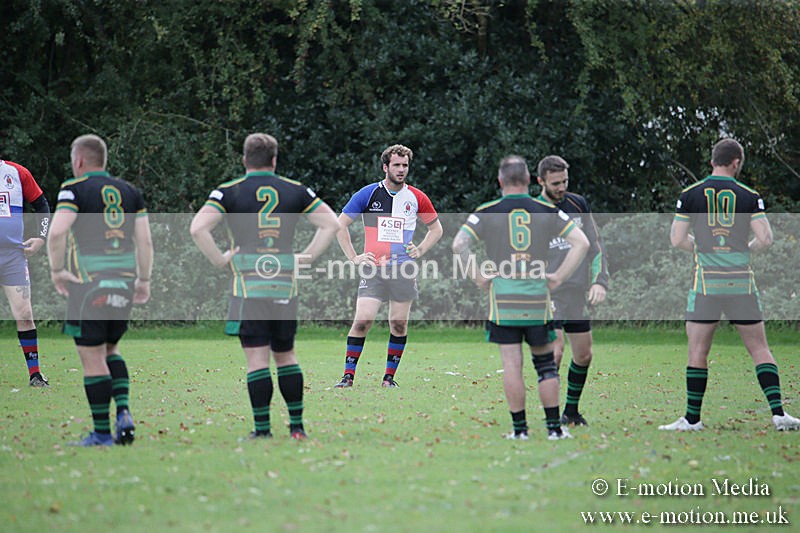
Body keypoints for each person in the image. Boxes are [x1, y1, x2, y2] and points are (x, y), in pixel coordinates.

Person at [191, 133, 339, 440]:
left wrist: (221, 260)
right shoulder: (296, 190)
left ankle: (262, 430)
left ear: (245, 159)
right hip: (284, 285)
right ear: (274, 160)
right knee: (286, 355)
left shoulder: (228, 191)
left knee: (257, 359)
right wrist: (306, 258)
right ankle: (297, 428)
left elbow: (198, 228)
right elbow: (331, 224)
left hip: (248, 287)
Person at [660, 138, 799, 432]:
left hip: (706, 284)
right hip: (741, 284)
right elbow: (766, 239)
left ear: (713, 161)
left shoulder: (690, 194)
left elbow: (677, 239)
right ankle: (779, 414)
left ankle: (692, 419)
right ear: (736, 163)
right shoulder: (749, 195)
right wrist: (745, 249)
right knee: (759, 348)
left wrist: (701, 249)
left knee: (698, 351)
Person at [453, 155, 589, 440]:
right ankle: (554, 430)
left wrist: (478, 276)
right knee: (545, 365)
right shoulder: (547, 210)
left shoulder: (486, 211)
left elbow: (459, 244)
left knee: (512, 365)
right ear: (529, 180)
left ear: (500, 181)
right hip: (538, 300)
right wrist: (559, 276)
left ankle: (520, 431)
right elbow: (582, 242)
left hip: (504, 302)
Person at [48, 134, 153, 446]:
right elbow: (145, 241)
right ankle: (123, 412)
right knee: (111, 349)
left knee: (92, 357)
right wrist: (144, 280)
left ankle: (102, 433)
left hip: (89, 282)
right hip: (123, 281)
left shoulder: (74, 189)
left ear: (79, 161)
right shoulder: (130, 192)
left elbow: (57, 233)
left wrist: (57, 270)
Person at [333, 144, 443, 388]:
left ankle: (389, 379)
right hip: (373, 269)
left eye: (405, 165)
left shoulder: (417, 197)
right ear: (385, 167)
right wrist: (354, 257)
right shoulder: (368, 194)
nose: (401, 170)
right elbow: (340, 225)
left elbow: (436, 229)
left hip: (403, 269)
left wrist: (420, 250)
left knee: (398, 324)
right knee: (363, 320)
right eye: (396, 165)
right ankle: (347, 377)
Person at [536, 155, 609, 426]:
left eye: (565, 181)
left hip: (576, 292)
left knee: (584, 354)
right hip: (548, 292)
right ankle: (552, 417)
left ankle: (571, 412)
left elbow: (596, 246)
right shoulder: (533, 211)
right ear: (541, 181)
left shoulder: (578, 204)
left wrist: (599, 281)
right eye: (556, 183)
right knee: (555, 351)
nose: (562, 187)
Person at [0, 158, 50, 387]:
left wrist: (41, 237)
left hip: (13, 257)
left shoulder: (17, 173)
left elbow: (42, 205)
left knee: (24, 313)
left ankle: (35, 374)